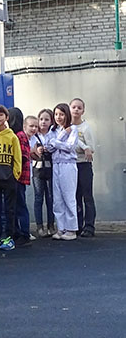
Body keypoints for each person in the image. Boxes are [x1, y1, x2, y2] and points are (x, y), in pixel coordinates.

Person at [0, 105, 21, 252]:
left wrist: (15, 174)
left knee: (9, 209)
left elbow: (18, 157)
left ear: (6, 117)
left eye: (1, 115)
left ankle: (9, 237)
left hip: (8, 177)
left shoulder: (12, 136)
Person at [45, 103, 78, 241]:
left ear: (67, 115)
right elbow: (48, 147)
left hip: (68, 165)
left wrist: (55, 142)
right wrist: (58, 140)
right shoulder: (52, 130)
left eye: (61, 114)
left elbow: (70, 146)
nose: (58, 117)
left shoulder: (73, 128)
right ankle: (61, 228)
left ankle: (71, 229)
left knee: (68, 196)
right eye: (56, 114)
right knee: (57, 199)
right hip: (56, 165)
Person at [70, 98, 96, 237]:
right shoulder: (67, 127)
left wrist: (82, 148)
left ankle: (89, 226)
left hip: (84, 165)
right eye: (74, 107)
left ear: (83, 111)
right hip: (70, 165)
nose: (76, 110)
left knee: (87, 196)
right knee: (75, 196)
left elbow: (91, 148)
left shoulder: (85, 128)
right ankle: (77, 225)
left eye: (79, 108)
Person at [9, 107, 32, 246]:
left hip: (19, 175)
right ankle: (16, 231)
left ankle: (24, 233)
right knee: (15, 205)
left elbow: (23, 156)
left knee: (20, 205)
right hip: (15, 176)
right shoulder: (15, 134)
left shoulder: (19, 135)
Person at [31, 109, 55, 237]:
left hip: (51, 169)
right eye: (41, 119)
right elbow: (29, 149)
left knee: (51, 198)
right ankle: (39, 227)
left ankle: (51, 225)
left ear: (51, 121)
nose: (43, 122)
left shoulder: (54, 134)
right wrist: (37, 150)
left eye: (46, 119)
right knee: (38, 197)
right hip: (38, 170)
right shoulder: (34, 135)